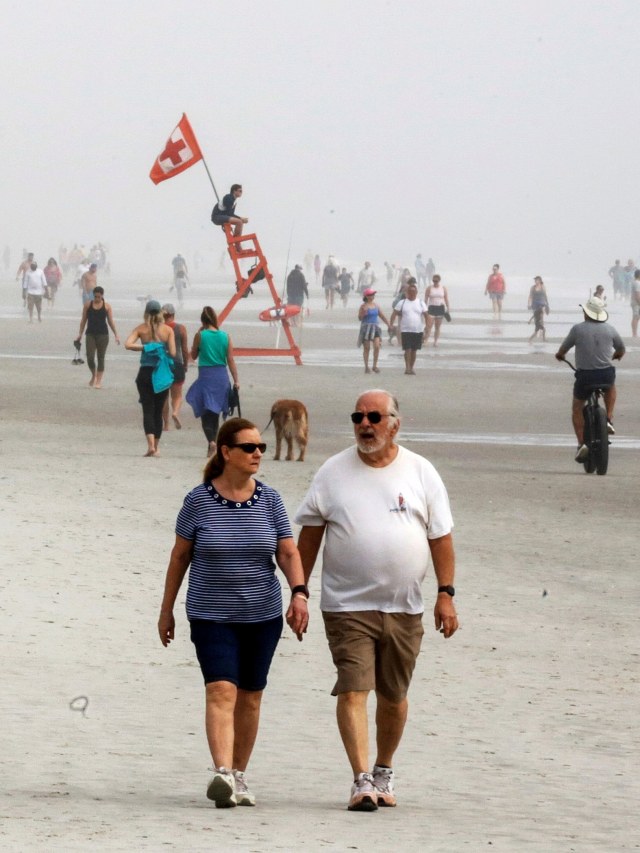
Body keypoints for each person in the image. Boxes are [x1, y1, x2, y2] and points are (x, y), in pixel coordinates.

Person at [294, 388, 458, 812]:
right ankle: (361, 778)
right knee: (353, 689)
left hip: (405, 607)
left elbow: (440, 538)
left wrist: (446, 594)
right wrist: (299, 592)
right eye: (358, 417)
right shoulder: (332, 472)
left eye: (374, 417)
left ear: (394, 424)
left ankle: (383, 771)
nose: (365, 424)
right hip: (346, 606)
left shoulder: (421, 472)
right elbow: (308, 538)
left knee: (394, 696)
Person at [158, 417, 309, 808]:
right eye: (249, 447)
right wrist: (167, 610)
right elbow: (180, 556)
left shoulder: (271, 500)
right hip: (211, 615)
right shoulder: (198, 500)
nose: (258, 452)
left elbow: (288, 551)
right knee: (221, 689)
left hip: (262, 615)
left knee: (251, 696)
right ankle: (222, 772)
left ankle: (239, 775)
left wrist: (299, 593)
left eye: (260, 447)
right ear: (226, 452)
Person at [555, 296, 625, 462]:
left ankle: (581, 444)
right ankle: (608, 418)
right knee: (611, 386)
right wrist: (616, 355)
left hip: (585, 376)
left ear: (586, 313)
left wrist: (560, 355)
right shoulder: (610, 329)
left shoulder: (577, 329)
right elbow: (621, 348)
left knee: (577, 408)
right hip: (605, 374)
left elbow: (563, 348)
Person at [186, 306, 239, 458]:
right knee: (214, 412)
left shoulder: (200, 335)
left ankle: (211, 442)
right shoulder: (225, 336)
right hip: (221, 376)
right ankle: (213, 444)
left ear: (203, 321)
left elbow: (194, 356)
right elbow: (230, 360)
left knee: (205, 411)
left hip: (206, 376)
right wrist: (236, 380)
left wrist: (197, 339)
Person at [125, 300, 176, 457]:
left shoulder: (141, 329)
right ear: (161, 313)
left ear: (146, 313)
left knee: (147, 409)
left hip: (145, 373)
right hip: (161, 374)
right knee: (158, 410)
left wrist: (145, 347)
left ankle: (150, 445)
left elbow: (128, 344)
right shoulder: (168, 330)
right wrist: (160, 348)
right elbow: (173, 353)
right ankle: (157, 447)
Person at [75, 286, 120, 388]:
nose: (97, 299)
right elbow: (83, 320)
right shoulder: (88, 305)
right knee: (90, 357)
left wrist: (116, 334)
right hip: (90, 334)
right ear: (93, 295)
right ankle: (93, 375)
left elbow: (110, 322)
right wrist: (80, 334)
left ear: (102, 296)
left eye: (99, 297)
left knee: (101, 357)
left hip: (103, 335)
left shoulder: (107, 306)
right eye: (95, 296)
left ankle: (98, 381)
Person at [389, 278, 429, 375]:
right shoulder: (402, 303)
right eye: (410, 292)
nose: (412, 293)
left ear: (416, 293)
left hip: (418, 330)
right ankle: (407, 368)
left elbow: (426, 315)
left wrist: (427, 328)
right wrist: (391, 324)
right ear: (407, 292)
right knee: (407, 349)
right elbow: (394, 314)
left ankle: (411, 367)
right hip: (405, 330)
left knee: (414, 350)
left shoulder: (420, 303)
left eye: (413, 292)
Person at [161, 303, 189, 429]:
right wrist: (185, 365)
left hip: (163, 364)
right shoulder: (181, 328)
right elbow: (184, 349)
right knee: (177, 395)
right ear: (173, 315)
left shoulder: (159, 328)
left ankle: (166, 425)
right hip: (177, 363)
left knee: (164, 396)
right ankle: (176, 412)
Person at [357, 288, 390, 374]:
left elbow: (382, 316)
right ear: (366, 296)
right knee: (367, 348)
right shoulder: (363, 306)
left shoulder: (376, 305)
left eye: (373, 295)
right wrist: (363, 313)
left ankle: (375, 365)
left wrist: (388, 324)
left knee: (377, 346)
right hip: (366, 328)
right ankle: (366, 367)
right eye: (370, 295)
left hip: (375, 328)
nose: (372, 296)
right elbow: (360, 318)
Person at [424, 274, 450, 347]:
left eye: (436, 281)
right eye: (433, 281)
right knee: (429, 325)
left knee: (437, 326)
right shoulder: (429, 288)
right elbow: (426, 299)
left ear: (439, 280)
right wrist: (424, 308)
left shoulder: (443, 288)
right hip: (431, 308)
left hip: (440, 308)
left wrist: (448, 308)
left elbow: (446, 298)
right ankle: (426, 340)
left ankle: (435, 341)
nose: (435, 282)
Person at [527, 276, 550, 344]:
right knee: (536, 315)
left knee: (541, 316)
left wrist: (547, 304)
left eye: (537, 280)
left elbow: (545, 295)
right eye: (535, 280)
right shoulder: (533, 287)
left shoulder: (543, 287)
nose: (535, 281)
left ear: (540, 280)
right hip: (535, 304)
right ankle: (538, 329)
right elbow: (530, 296)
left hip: (542, 303)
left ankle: (540, 331)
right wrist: (529, 304)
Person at [631, 269, 640, 337]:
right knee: (636, 317)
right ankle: (634, 333)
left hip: (634, 302)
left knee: (636, 317)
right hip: (636, 302)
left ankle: (634, 333)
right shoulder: (637, 283)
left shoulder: (635, 282)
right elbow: (637, 295)